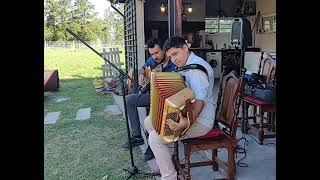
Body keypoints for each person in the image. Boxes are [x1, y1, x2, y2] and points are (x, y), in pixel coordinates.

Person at [144, 36, 216, 179]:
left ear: (185, 48)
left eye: (175, 54)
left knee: (155, 138)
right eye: (170, 57)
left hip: (201, 121)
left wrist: (187, 122)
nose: (173, 60)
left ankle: (170, 176)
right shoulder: (186, 64)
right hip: (188, 112)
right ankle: (164, 160)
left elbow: (199, 101)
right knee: (149, 121)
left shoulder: (196, 70)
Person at [121, 37, 177, 162]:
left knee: (155, 105)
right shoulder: (152, 60)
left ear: (163, 50)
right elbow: (143, 68)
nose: (155, 56)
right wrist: (142, 74)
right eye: (152, 54)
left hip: (168, 98)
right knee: (129, 100)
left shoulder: (174, 62)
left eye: (157, 53)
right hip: (152, 94)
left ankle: (153, 145)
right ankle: (137, 136)